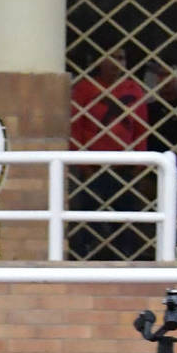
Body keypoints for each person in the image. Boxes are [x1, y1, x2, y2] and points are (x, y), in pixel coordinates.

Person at [69, 45, 158, 260]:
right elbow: (76, 128)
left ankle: (125, 258)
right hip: (92, 166)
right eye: (112, 57)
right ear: (99, 61)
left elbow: (140, 129)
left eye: (122, 58)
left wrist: (139, 164)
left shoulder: (133, 89)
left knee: (125, 220)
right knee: (87, 218)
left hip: (124, 167)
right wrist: (83, 164)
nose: (117, 63)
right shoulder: (85, 88)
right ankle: (83, 256)